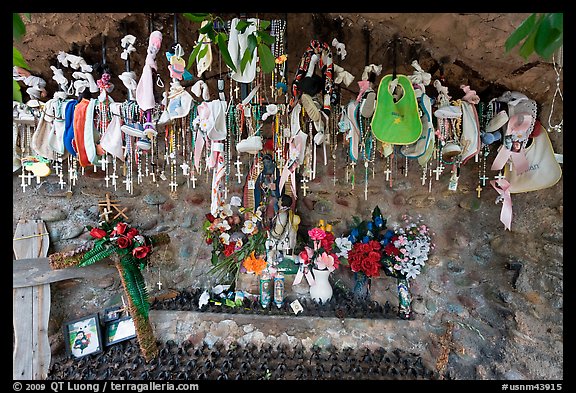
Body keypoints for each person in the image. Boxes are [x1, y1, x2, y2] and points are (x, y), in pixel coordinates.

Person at [268, 194, 300, 263]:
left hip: (284, 242)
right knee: (288, 255)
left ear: (282, 202)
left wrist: (270, 234)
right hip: (290, 241)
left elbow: (278, 231)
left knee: (269, 246)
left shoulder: (282, 214)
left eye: (280, 200)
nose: (278, 201)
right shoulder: (288, 212)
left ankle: (270, 264)